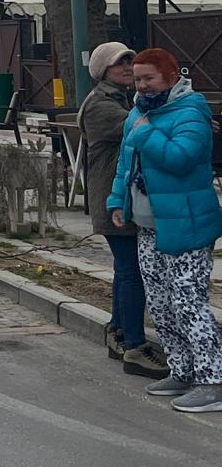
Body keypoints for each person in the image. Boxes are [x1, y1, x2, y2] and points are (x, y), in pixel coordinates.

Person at [107, 47, 222, 413]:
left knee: (189, 303)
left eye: (148, 79)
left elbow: (181, 158)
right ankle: (181, 369)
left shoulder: (191, 112)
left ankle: (212, 379)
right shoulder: (138, 114)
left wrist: (145, 136)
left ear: (171, 76)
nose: (141, 86)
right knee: (160, 303)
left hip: (187, 224)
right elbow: (126, 164)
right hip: (148, 225)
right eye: (137, 79)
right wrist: (116, 202)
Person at [80, 41, 165, 378]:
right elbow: (139, 129)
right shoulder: (101, 105)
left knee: (125, 269)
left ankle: (118, 333)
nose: (128, 68)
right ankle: (134, 346)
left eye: (131, 61)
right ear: (103, 71)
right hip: (114, 202)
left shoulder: (121, 99)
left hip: (122, 200)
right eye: (120, 64)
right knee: (132, 271)